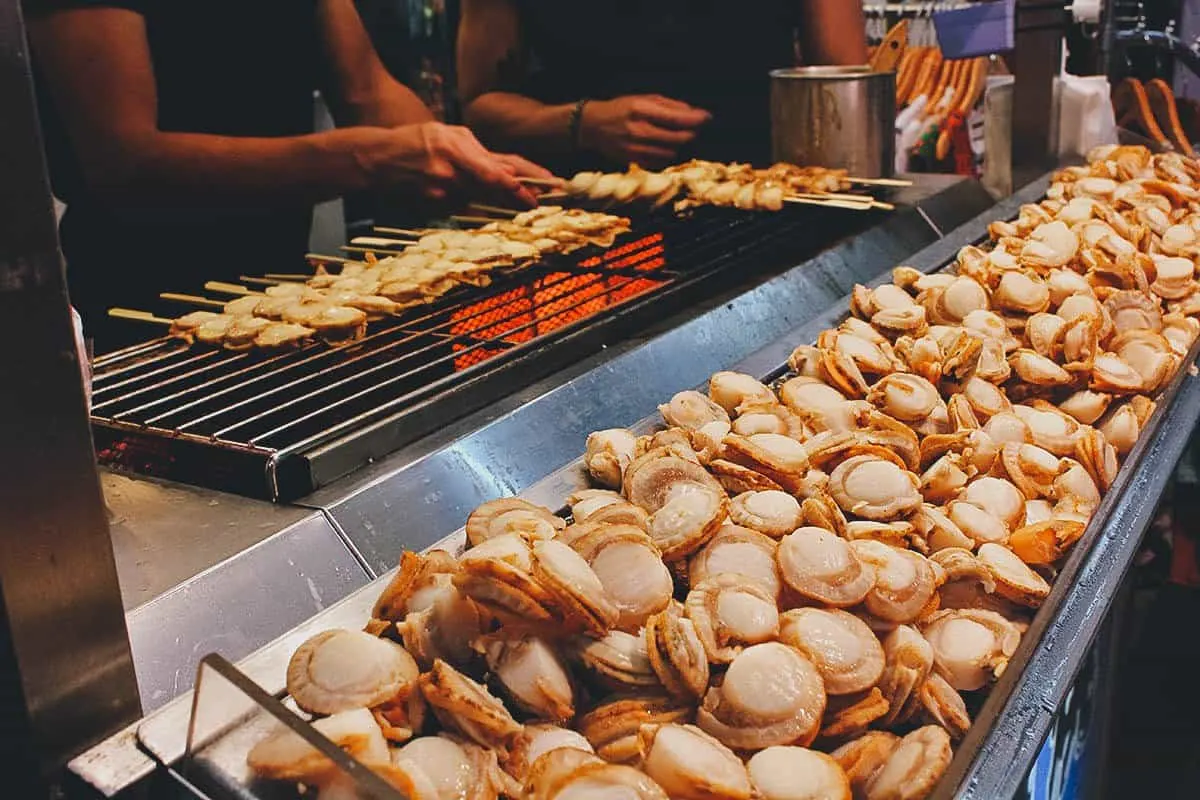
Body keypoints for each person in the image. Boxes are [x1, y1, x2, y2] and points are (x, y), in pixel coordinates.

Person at [24, 0, 550, 351]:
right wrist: (367, 159)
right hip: (151, 312)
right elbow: (126, 163)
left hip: (294, 287)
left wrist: (475, 160)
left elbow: (366, 90)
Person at [457, 1, 869, 177]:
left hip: (764, 218)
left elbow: (844, 85)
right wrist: (585, 122)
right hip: (587, 234)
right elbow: (479, 106)